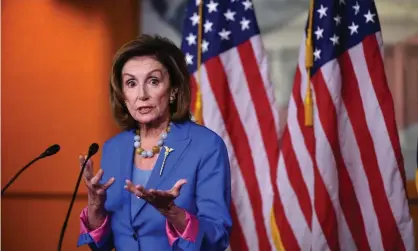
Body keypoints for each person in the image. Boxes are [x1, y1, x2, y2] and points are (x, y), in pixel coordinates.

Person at [76, 34, 232, 251]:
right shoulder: (114, 148)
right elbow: (102, 245)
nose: (142, 94)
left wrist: (172, 212)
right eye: (131, 83)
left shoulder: (206, 146)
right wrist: (95, 207)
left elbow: (218, 237)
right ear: (122, 95)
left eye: (153, 81)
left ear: (173, 89)